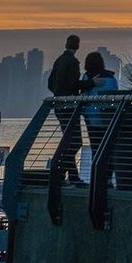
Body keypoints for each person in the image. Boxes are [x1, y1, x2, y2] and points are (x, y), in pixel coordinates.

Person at [47, 34, 83, 184]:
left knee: (70, 141)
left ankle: (71, 176)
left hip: (59, 106)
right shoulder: (73, 62)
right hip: (69, 107)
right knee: (76, 142)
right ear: (77, 46)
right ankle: (59, 168)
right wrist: (89, 84)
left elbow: (50, 83)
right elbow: (73, 84)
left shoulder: (59, 61)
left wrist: (58, 94)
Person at [79, 50, 118, 157]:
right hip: (108, 118)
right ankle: (106, 171)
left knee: (95, 147)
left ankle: (95, 169)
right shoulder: (111, 78)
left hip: (91, 117)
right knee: (107, 147)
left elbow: (84, 96)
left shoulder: (87, 78)